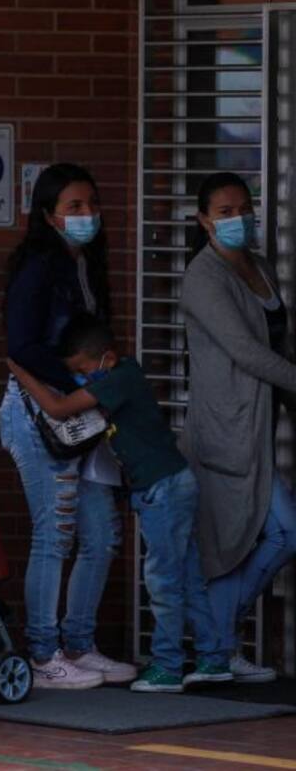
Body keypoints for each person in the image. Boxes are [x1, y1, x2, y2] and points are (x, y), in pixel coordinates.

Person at [10, 315, 230, 693]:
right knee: (188, 576)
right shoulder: (122, 375)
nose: (81, 378)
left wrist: (20, 370)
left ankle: (167, 665)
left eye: (82, 370)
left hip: (163, 489)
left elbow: (60, 408)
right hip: (169, 485)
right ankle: (212, 659)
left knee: (162, 580)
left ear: (105, 358)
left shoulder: (119, 379)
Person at [0, 162, 135, 690]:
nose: (86, 215)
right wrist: (81, 381)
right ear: (48, 214)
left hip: (84, 412)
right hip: (41, 413)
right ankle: (43, 653)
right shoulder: (37, 267)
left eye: (92, 205)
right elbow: (21, 346)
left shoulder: (87, 266)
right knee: (54, 534)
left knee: (101, 535)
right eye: (74, 206)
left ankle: (79, 644)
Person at [180, 171, 296, 682]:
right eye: (224, 212)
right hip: (226, 429)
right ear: (204, 220)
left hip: (261, 425)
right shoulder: (203, 278)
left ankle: (219, 646)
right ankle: (216, 637)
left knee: (261, 536)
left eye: (243, 209)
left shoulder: (261, 267)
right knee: (268, 533)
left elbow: (278, 340)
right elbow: (246, 351)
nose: (238, 219)